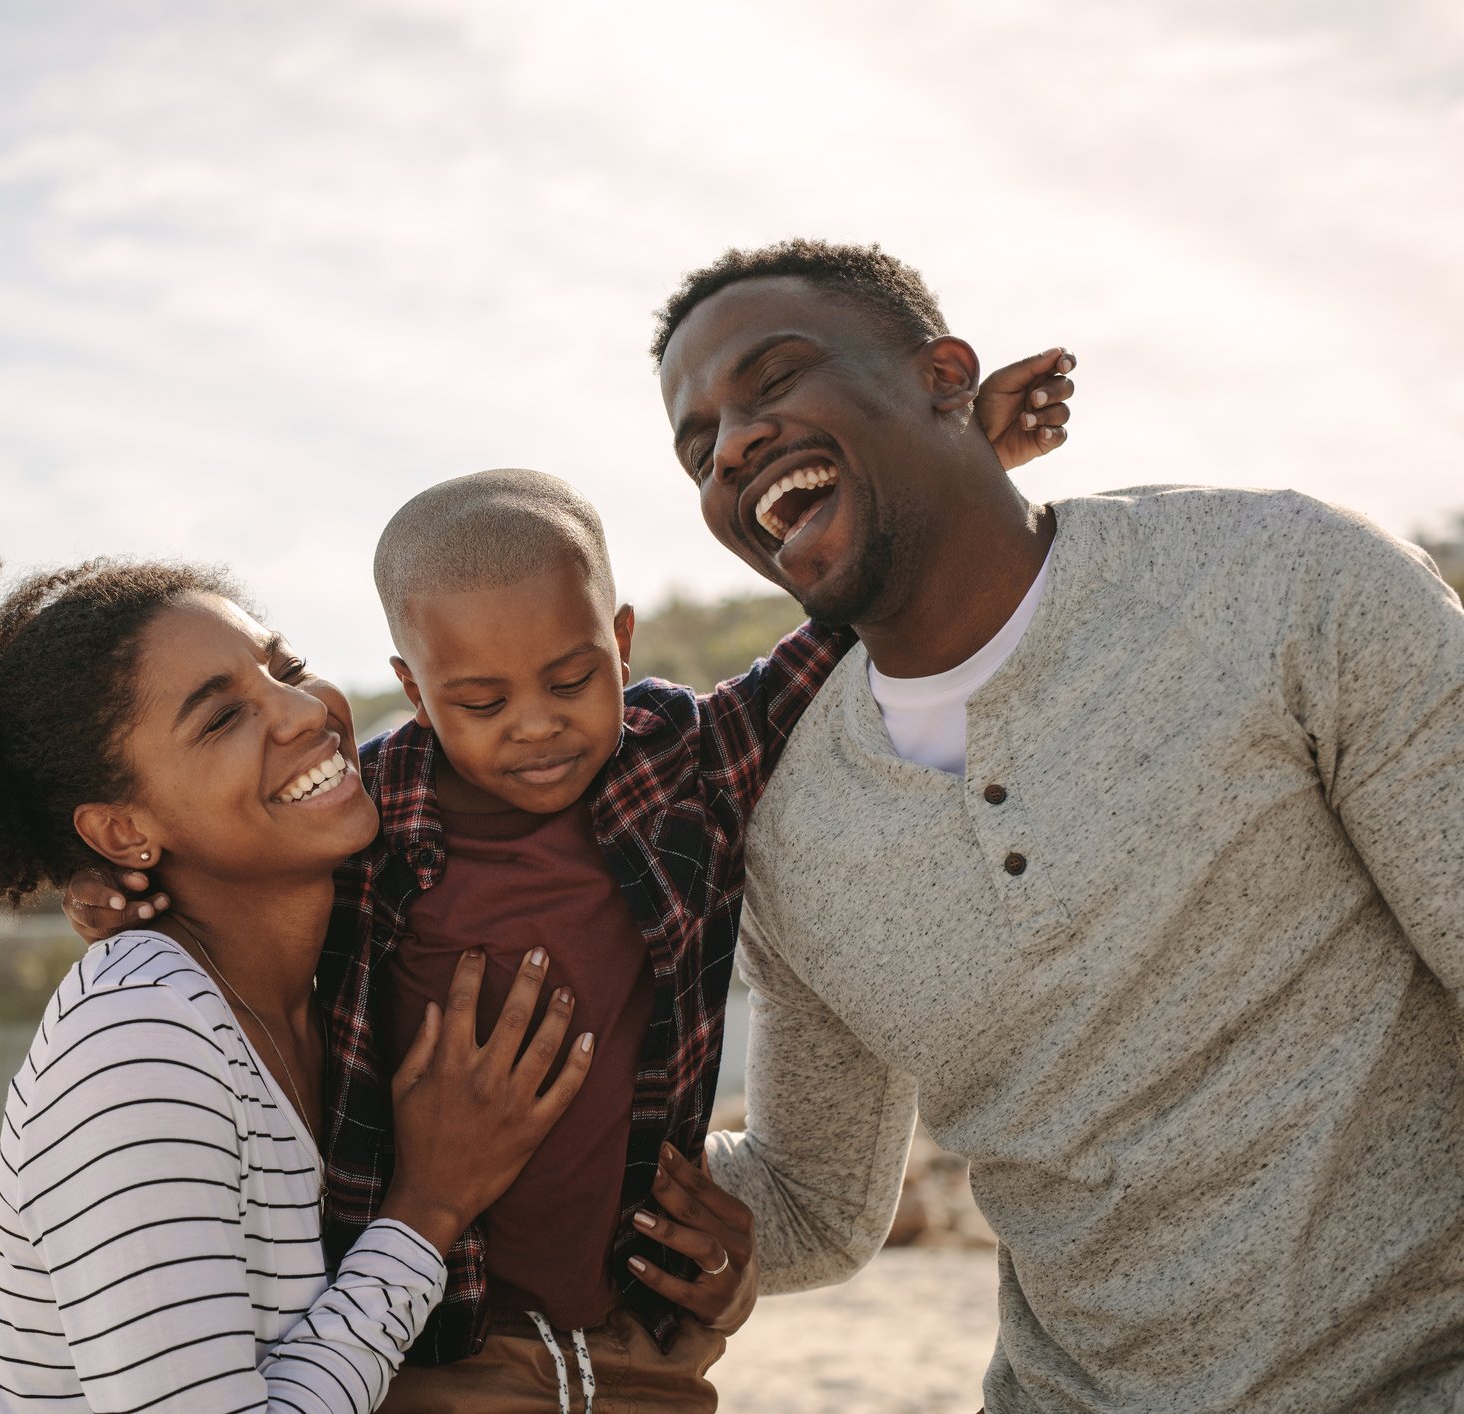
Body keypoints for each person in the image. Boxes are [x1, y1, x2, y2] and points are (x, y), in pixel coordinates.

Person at [68, 352, 1073, 1412]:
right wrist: (118, 887)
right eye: (482, 701)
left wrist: (957, 469)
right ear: (414, 687)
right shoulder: (372, 817)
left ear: (620, 640)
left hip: (640, 1337)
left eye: (570, 677)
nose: (537, 725)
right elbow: (231, 877)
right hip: (429, 1344)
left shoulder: (675, 759)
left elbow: (826, 642)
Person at [652, 238, 1464, 1411]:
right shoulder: (790, 829)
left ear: (946, 378)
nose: (730, 446)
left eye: (772, 381)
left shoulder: (1289, 585)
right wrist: (516, 1174)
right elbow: (811, 1201)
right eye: (698, 448)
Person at [0, 559, 597, 1414]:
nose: (304, 711)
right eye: (222, 718)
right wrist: (427, 1206)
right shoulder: (137, 1047)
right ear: (122, 829)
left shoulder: (336, 972)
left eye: (286, 668)